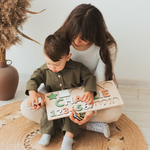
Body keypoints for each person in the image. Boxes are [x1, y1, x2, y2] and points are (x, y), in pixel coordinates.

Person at [21, 3, 123, 143]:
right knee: (26, 108)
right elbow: (48, 72)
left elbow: (99, 82)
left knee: (115, 111)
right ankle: (86, 125)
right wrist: (38, 93)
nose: (76, 41)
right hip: (59, 94)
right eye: (74, 35)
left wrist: (91, 110)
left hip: (87, 94)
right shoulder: (60, 40)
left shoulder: (105, 47)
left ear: (95, 33)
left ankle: (70, 122)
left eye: (84, 38)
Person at [25, 34, 97, 150]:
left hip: (72, 101)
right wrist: (32, 92)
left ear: (68, 57)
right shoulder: (44, 70)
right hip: (54, 100)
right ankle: (47, 133)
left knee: (74, 113)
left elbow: (89, 77)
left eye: (57, 64)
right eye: (49, 63)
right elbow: (34, 78)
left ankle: (68, 138)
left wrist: (89, 91)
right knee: (47, 112)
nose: (52, 68)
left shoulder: (78, 68)